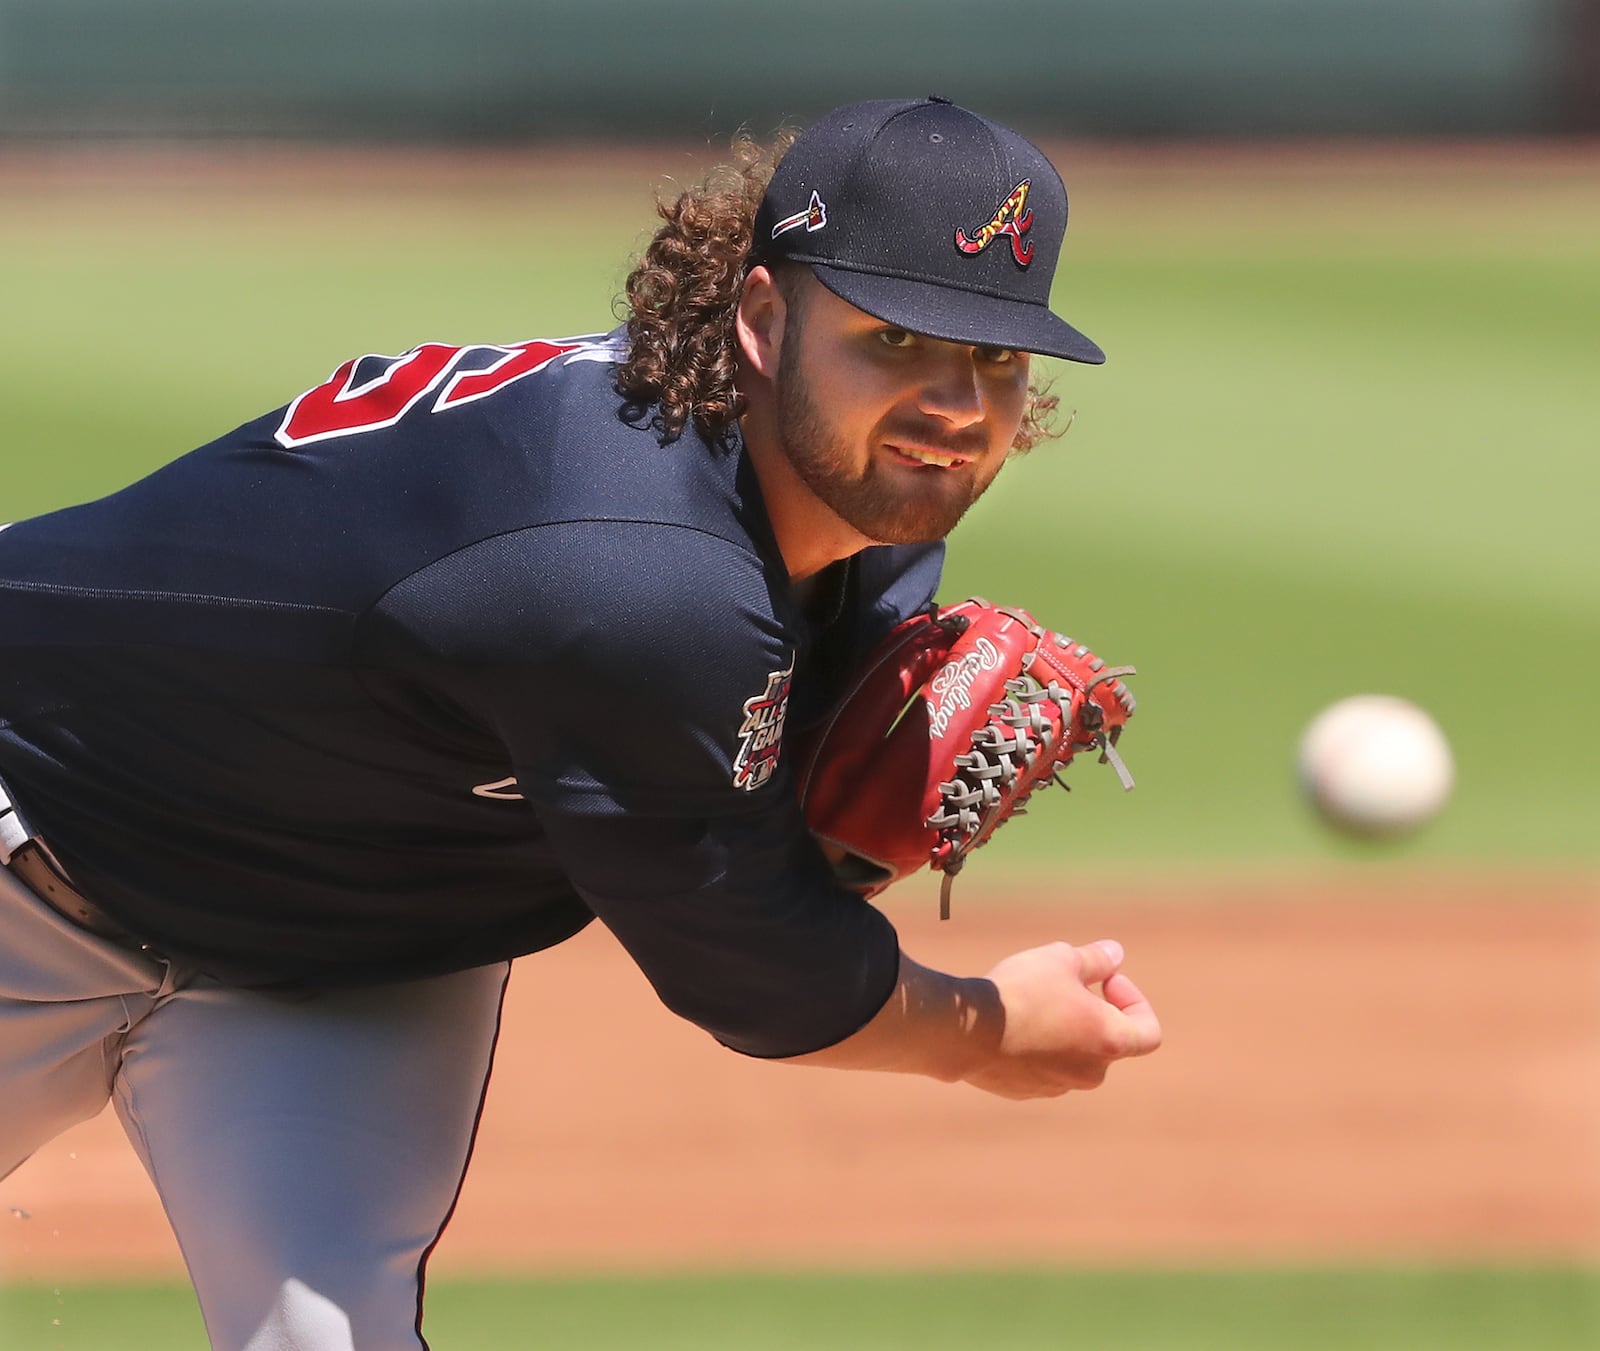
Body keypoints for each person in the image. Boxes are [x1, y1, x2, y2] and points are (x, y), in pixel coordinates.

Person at [0, 96, 1161, 1349]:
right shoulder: (625, 565)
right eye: (894, 338)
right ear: (764, 321)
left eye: (992, 357)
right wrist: (981, 1026)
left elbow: (751, 825)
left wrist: (825, 843)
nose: (953, 404)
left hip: (342, 961)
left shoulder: (846, 539)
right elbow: (753, 972)